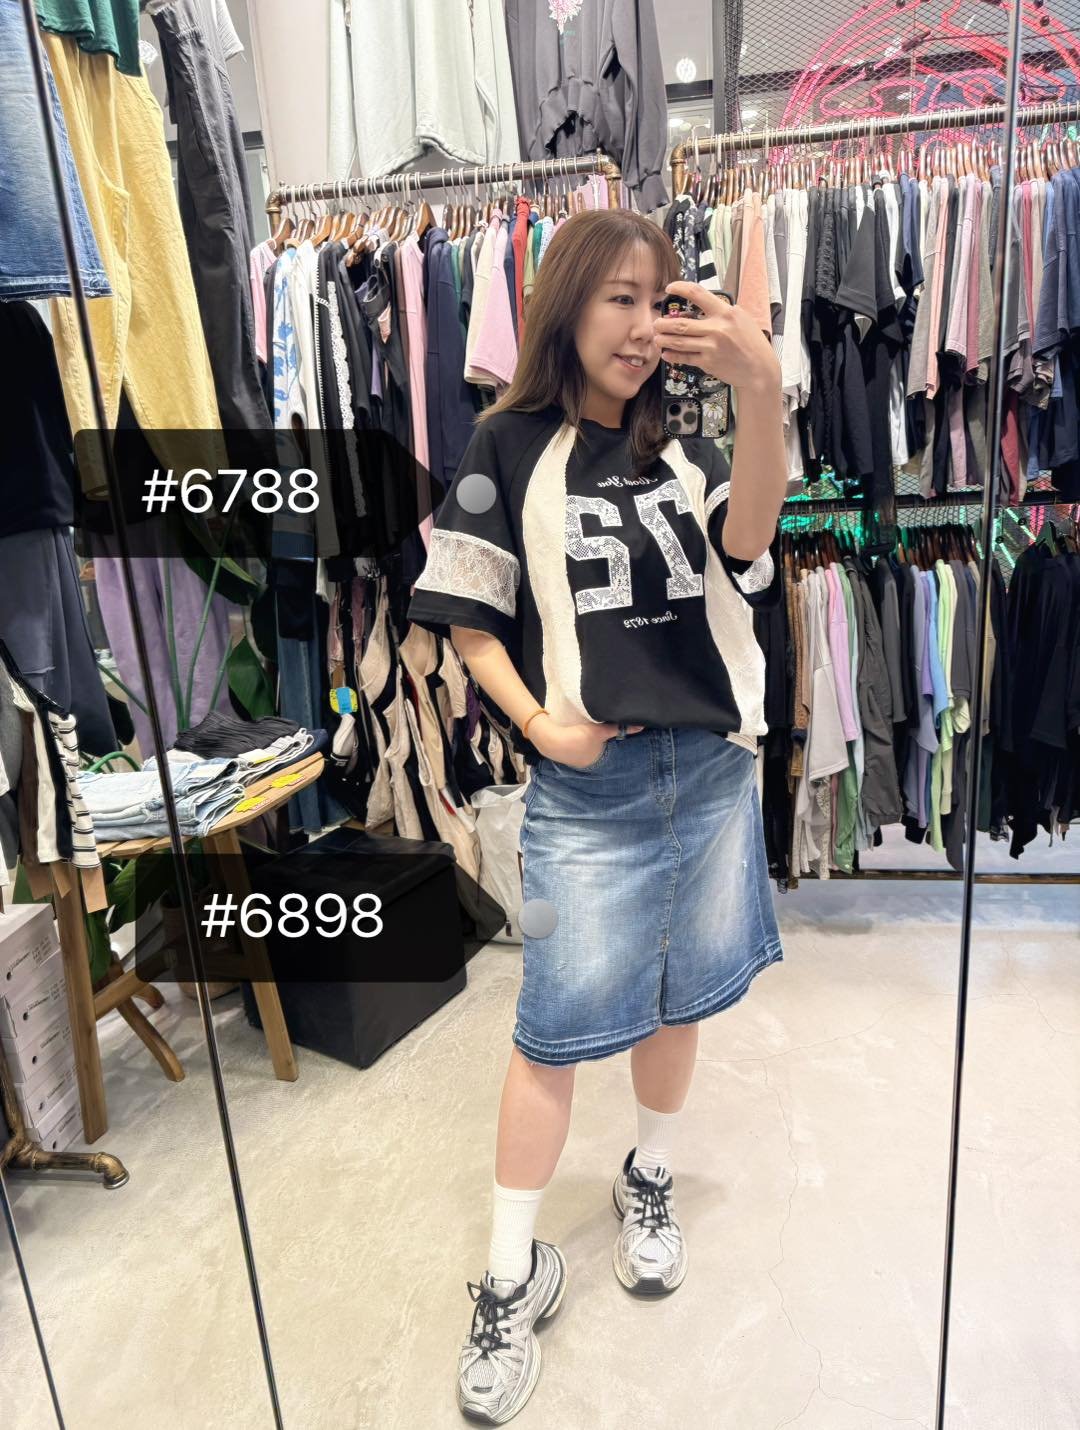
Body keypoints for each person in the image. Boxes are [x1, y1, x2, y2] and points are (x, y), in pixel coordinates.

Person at [406, 207, 788, 1426]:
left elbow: (752, 545)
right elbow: (467, 613)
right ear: (566, 304)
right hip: (588, 788)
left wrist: (762, 388)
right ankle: (508, 1273)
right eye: (618, 297)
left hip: (709, 772)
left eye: (658, 299)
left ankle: (649, 1172)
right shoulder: (507, 442)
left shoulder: (693, 444)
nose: (640, 324)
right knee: (553, 1031)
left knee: (680, 996)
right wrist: (538, 722)